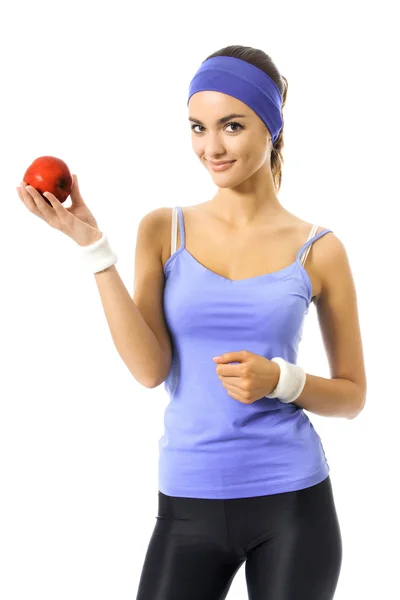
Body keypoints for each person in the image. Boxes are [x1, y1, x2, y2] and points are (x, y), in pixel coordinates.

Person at [17, 44, 367, 600]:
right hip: (186, 501)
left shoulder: (318, 250)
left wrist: (282, 381)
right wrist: (93, 248)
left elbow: (352, 397)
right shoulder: (164, 230)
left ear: (271, 127)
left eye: (232, 125)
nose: (212, 147)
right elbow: (149, 369)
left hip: (294, 503)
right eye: (197, 127)